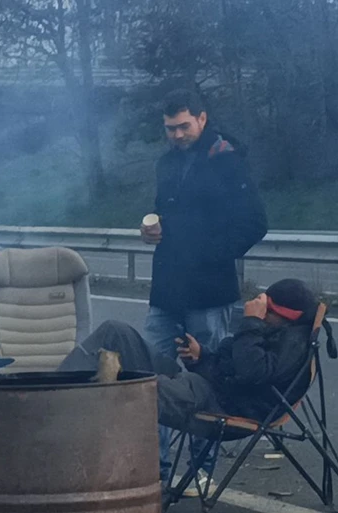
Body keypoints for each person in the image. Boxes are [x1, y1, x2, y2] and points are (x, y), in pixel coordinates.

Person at [58, 279, 317, 487]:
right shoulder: (274, 331)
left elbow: (252, 372)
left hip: (218, 404)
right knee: (116, 331)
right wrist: (201, 357)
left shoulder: (293, 342)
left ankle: (60, 433)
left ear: (281, 314)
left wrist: (251, 322)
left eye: (266, 309)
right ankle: (49, 394)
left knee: (132, 387)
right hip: (202, 386)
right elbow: (234, 370)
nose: (260, 311)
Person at [140, 89, 268, 483]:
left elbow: (255, 223)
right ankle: (153, 469)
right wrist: (152, 230)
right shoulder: (166, 164)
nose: (176, 135)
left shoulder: (226, 160)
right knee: (147, 376)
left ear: (202, 118)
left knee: (205, 378)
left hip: (209, 291)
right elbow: (166, 214)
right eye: (169, 129)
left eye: (183, 126)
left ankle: (202, 471)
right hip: (166, 290)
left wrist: (209, 254)